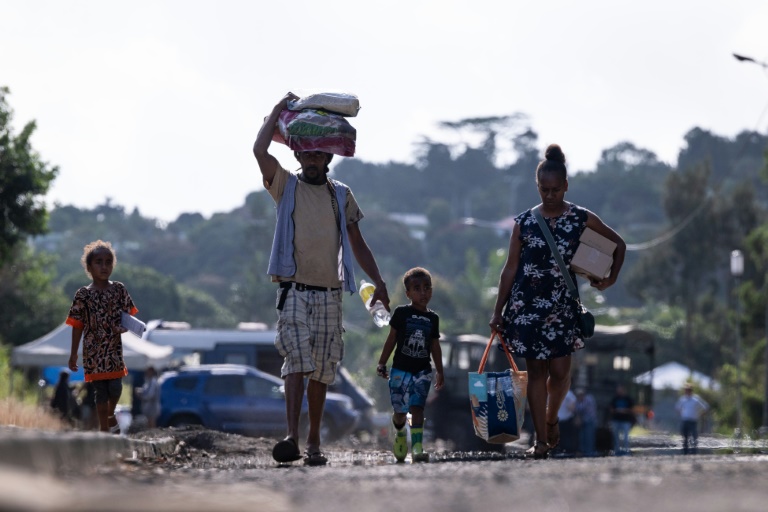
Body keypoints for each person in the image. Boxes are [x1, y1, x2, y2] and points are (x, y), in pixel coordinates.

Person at [254, 92, 390, 466]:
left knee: (322, 370)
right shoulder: (285, 186)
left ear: (328, 157)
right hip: (293, 290)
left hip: (331, 292)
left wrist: (379, 282)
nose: (312, 160)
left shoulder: (341, 195)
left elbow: (358, 243)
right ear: (298, 155)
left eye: (319, 154)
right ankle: (292, 437)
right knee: (296, 363)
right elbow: (260, 150)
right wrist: (279, 110)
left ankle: (314, 440)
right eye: (307, 154)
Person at [489, 143, 626, 459]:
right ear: (537, 186)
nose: (549, 195)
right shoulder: (523, 222)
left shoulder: (580, 217)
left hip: (562, 306)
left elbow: (618, 244)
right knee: (536, 373)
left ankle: (551, 418)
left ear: (566, 186)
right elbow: (510, 269)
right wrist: (498, 311)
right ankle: (540, 439)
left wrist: (611, 278)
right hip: (525, 308)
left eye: (555, 189)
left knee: (561, 372)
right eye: (543, 189)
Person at [66, 240, 139, 434]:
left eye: (108, 262)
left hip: (114, 349)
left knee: (115, 388)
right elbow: (77, 325)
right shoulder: (83, 295)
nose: (104, 266)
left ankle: (110, 415)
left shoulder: (119, 290)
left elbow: (128, 315)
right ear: (89, 267)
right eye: (99, 262)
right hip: (93, 350)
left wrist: (124, 327)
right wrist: (74, 354)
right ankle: (105, 430)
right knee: (101, 391)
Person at [375, 267, 444, 463]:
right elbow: (391, 339)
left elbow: (434, 345)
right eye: (417, 288)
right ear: (408, 293)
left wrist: (439, 370)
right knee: (400, 412)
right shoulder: (402, 313)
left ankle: (417, 447)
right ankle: (400, 433)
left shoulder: (433, 318)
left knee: (417, 409)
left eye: (427, 288)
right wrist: (381, 362)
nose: (423, 293)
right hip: (400, 371)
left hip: (422, 371)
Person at [675, 382, 709, 455]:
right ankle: (685, 452)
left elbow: (705, 407)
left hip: (693, 421)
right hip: (685, 420)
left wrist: (699, 414)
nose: (687, 391)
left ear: (691, 390)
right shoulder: (683, 399)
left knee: (694, 437)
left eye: (688, 390)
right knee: (685, 437)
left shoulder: (695, 399)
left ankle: (694, 452)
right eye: (686, 390)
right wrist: (682, 414)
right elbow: (677, 408)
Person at [609, 384, 635, 456]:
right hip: (616, 420)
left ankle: (626, 452)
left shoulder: (628, 399)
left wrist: (624, 411)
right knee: (616, 438)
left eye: (620, 390)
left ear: (623, 390)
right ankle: (617, 452)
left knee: (625, 438)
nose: (619, 392)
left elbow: (632, 409)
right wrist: (616, 411)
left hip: (626, 421)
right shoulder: (615, 398)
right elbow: (611, 409)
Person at [574, 387, 598, 456]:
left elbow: (582, 409)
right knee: (582, 438)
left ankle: (589, 453)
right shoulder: (578, 401)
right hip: (583, 422)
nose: (579, 396)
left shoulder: (589, 398)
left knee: (589, 437)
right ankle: (583, 452)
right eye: (578, 395)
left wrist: (579, 419)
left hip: (590, 421)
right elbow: (576, 410)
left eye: (581, 394)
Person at [554, 388, 578, 455]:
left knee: (563, 437)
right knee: (563, 437)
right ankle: (562, 451)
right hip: (561, 419)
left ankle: (563, 451)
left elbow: (572, 406)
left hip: (563, 419)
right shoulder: (568, 394)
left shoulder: (568, 394)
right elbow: (572, 407)